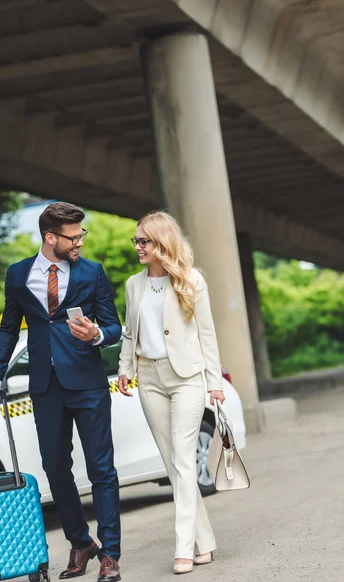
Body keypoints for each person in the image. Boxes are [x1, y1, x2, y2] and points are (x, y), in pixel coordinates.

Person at [0, 202, 122, 582]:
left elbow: (114, 327)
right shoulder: (18, 275)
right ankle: (80, 543)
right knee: (56, 468)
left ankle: (110, 554)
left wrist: (97, 335)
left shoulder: (92, 273)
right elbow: (9, 328)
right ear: (50, 237)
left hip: (88, 384)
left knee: (101, 469)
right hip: (45, 387)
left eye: (81, 235)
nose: (79, 243)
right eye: (73, 238)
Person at [118, 211, 225, 575]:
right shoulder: (134, 284)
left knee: (182, 459)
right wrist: (125, 369)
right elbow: (130, 332)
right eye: (136, 241)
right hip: (149, 378)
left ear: (162, 242)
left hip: (187, 378)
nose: (137, 247)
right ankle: (205, 541)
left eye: (143, 241)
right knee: (172, 463)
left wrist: (215, 383)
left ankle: (184, 549)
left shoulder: (192, 281)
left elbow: (207, 334)